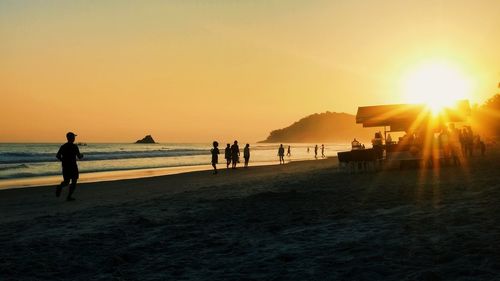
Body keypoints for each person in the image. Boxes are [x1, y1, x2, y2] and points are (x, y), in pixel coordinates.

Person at [56, 132, 83, 201]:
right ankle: (69, 196)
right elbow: (79, 157)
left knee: (66, 181)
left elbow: (57, 156)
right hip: (73, 166)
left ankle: (60, 187)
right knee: (74, 182)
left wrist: (63, 161)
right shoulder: (75, 146)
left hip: (65, 166)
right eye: (73, 137)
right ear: (72, 138)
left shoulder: (63, 146)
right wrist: (82, 155)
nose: (74, 138)